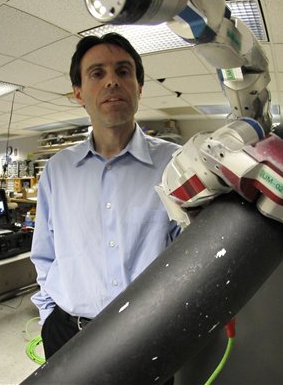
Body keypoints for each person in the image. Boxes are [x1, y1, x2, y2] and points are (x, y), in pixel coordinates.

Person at [30, 33, 180, 383]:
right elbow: (44, 254)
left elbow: (189, 249)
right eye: (97, 73)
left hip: (150, 335)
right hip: (68, 334)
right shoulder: (58, 170)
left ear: (139, 87)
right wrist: (48, 318)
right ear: (79, 93)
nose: (112, 80)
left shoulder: (175, 163)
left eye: (123, 71)